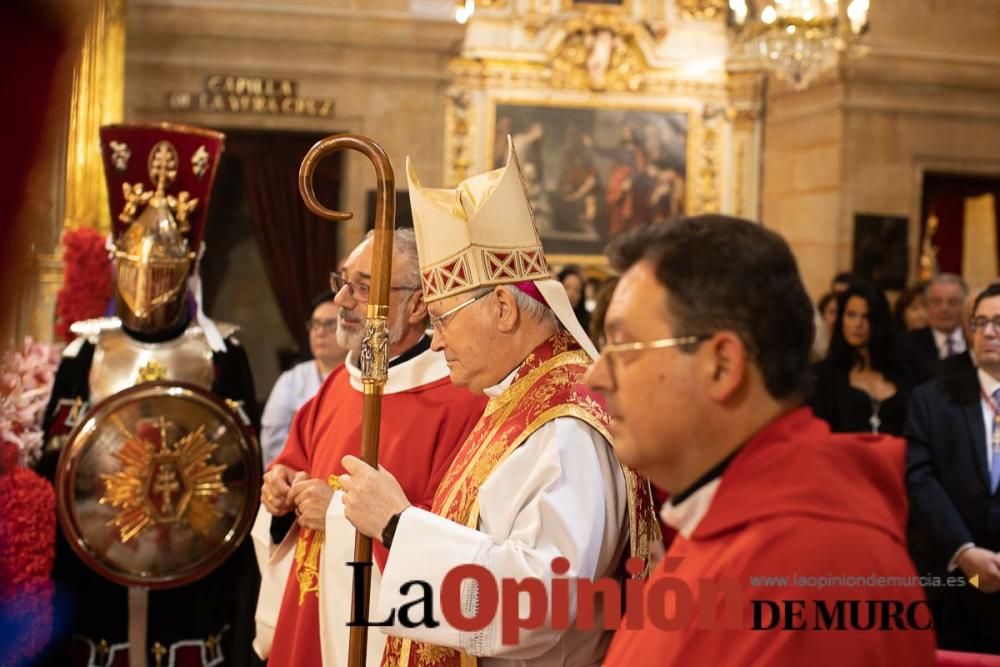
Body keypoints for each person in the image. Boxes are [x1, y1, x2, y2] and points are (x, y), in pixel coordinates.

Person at [338, 137, 658, 666]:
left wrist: (398, 525)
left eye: (441, 319)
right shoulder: (521, 395)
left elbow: (541, 603)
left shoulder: (565, 423)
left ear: (504, 307)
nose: (435, 341)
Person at [586, 215, 935, 665]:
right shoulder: (729, 518)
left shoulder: (817, 569)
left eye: (623, 348)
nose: (596, 377)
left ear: (722, 365)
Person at [37, 123, 262, 666]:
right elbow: (54, 456)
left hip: (194, 545)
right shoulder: (86, 352)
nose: (150, 284)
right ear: (120, 266)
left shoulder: (221, 353)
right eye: (140, 269)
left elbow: (243, 461)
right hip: (99, 541)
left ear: (186, 270)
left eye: (164, 271)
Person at [253, 229, 487, 667]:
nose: (342, 300)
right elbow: (295, 458)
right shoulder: (339, 385)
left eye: (362, 288)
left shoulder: (458, 401)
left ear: (418, 305)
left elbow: (453, 532)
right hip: (307, 616)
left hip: (378, 637)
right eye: (341, 281)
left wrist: (338, 517)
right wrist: (280, 487)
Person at [905, 283, 1000, 653]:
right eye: (980, 322)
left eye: (999, 322)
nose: (989, 331)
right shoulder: (931, 399)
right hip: (950, 579)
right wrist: (964, 551)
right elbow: (920, 480)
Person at [259, 289, 346, 467]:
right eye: (315, 324)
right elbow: (272, 440)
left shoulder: (362, 378)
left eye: (330, 325)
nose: (320, 332)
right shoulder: (292, 379)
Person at [810, 283, 909, 435]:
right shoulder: (823, 375)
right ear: (841, 319)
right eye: (851, 315)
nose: (857, 324)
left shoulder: (903, 371)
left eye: (867, 316)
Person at [899, 273, 974, 386]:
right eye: (936, 302)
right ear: (926, 305)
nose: (944, 308)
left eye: (953, 302)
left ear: (964, 306)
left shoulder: (976, 339)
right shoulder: (906, 344)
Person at [557, 264, 591, 333]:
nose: (571, 293)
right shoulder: (548, 318)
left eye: (577, 290)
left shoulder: (588, 322)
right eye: (567, 287)